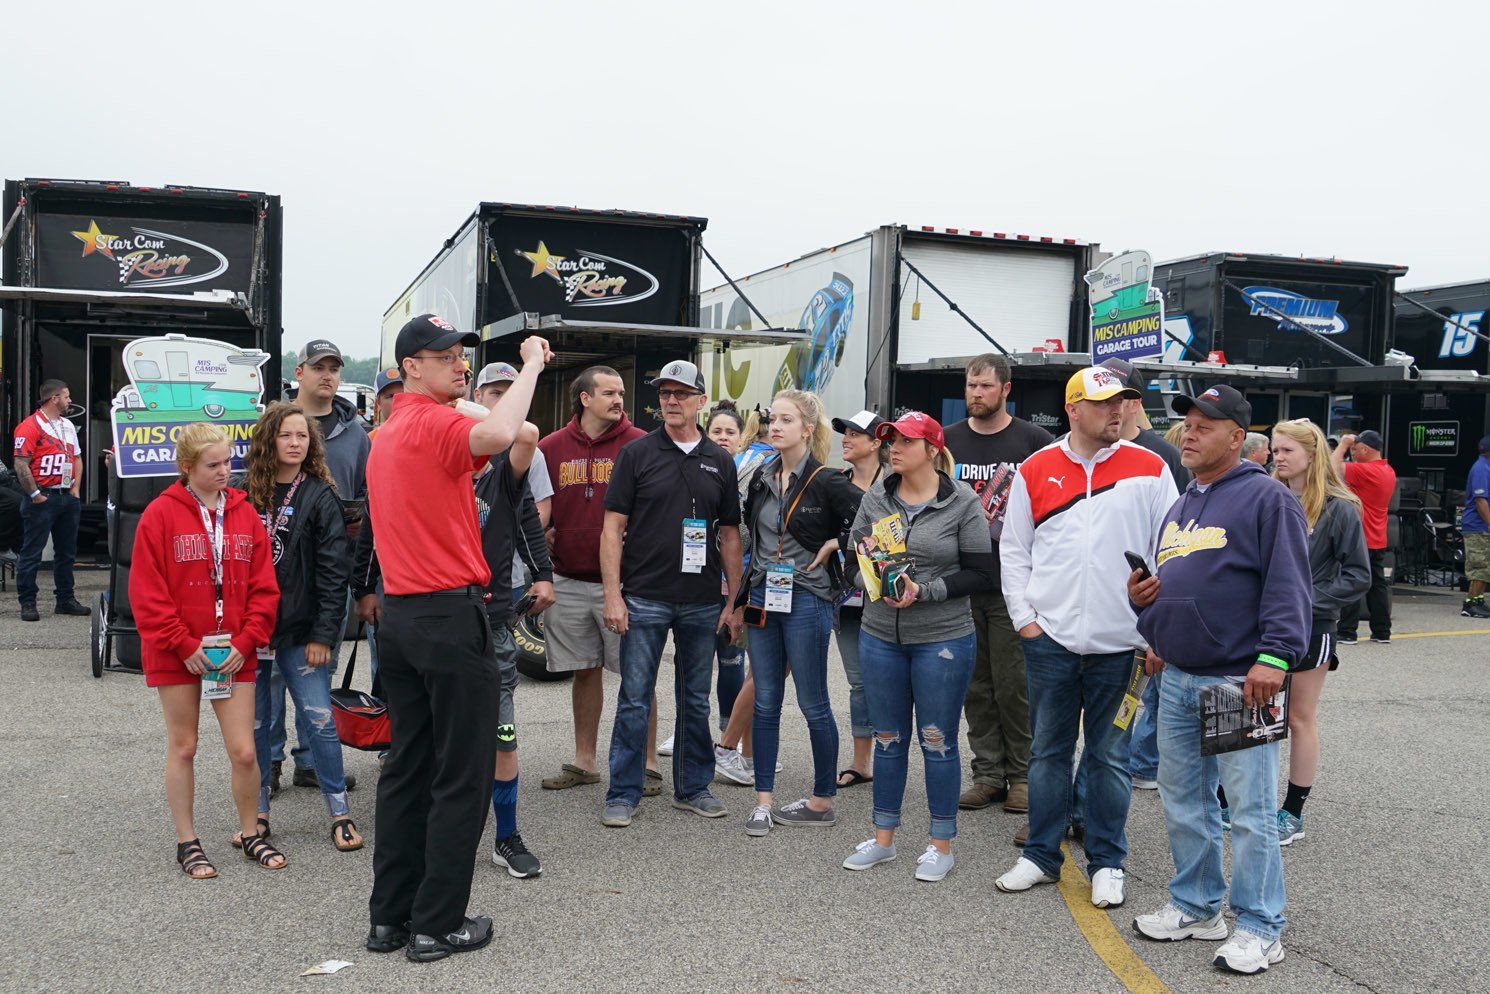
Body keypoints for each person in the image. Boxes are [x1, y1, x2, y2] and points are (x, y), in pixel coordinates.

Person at [363, 313, 549, 963]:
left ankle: (390, 918)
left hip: (403, 618)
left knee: (407, 769)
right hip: (448, 616)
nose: (459, 363)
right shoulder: (437, 425)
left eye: (460, 355)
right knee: (460, 777)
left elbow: (519, 430)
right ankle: (436, 924)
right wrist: (530, 363)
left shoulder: (390, 430)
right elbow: (508, 430)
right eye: (444, 356)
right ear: (411, 365)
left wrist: (456, 389)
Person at [1128, 384, 1311, 976]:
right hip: (1177, 676)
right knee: (1184, 802)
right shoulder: (1181, 505)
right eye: (1187, 423)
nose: (1189, 432)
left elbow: (1289, 585)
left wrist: (1276, 658)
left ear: (1237, 437)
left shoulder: (1266, 500)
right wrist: (1147, 614)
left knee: (1251, 811)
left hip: (1239, 679)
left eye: (1205, 425)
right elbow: (1173, 586)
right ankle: (1197, 904)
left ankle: (1260, 926)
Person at [992, 367, 1176, 906]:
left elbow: (1170, 554)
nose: (1117, 412)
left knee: (1110, 757)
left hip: (1123, 647)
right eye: (1103, 404)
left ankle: (1107, 861)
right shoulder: (1035, 467)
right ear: (1072, 409)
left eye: (1123, 402)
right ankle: (1040, 856)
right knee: (1047, 754)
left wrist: (1156, 633)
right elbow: (1014, 550)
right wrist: (1027, 621)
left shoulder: (1151, 468)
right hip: (1050, 641)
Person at [840, 411, 995, 882]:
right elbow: (852, 557)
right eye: (889, 441)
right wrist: (870, 577)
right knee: (887, 738)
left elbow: (983, 575)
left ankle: (940, 843)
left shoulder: (962, 502)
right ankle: (883, 837)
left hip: (943, 639)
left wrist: (923, 590)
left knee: (937, 741)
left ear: (931, 449)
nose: (893, 449)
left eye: (905, 441)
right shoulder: (877, 498)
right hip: (880, 634)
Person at [128, 423, 281, 878]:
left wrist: (248, 639)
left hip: (233, 650)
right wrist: (181, 642)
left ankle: (250, 831)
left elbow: (265, 587)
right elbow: (146, 591)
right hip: (178, 650)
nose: (224, 471)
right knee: (185, 746)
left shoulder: (244, 514)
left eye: (228, 461)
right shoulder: (159, 514)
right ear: (186, 468)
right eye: (212, 465)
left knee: (245, 751)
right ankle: (187, 842)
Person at [600, 359, 743, 828]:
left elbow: (729, 537)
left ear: (701, 400)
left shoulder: (720, 460)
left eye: (681, 393)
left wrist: (733, 602)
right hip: (644, 595)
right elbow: (612, 528)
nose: (671, 400)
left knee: (695, 698)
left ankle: (693, 787)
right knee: (635, 696)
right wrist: (613, 596)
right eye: (664, 393)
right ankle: (623, 791)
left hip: (702, 600)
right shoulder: (637, 454)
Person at [734, 390, 862, 836]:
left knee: (813, 703)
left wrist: (838, 545)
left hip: (808, 597)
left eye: (786, 420)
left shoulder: (828, 480)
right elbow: (749, 536)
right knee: (766, 700)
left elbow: (871, 523)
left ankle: (822, 799)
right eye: (772, 418)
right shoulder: (760, 477)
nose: (775, 426)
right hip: (764, 596)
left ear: (807, 429)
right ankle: (763, 802)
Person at [535, 366, 661, 797]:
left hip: (627, 584)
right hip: (568, 578)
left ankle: (645, 765)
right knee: (584, 672)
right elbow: (537, 507)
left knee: (638, 675)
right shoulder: (550, 447)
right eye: (609, 393)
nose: (619, 400)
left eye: (621, 392)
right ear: (585, 398)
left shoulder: (641, 444)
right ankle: (585, 761)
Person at [241, 403, 361, 852]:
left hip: (302, 634)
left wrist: (324, 636)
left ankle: (340, 811)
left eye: (303, 437)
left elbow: (334, 571)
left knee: (319, 722)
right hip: (252, 635)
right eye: (287, 435)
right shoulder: (243, 492)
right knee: (257, 726)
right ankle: (258, 812)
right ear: (269, 440)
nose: (295, 443)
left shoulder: (319, 495)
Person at [942, 354, 1053, 815]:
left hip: (1016, 588)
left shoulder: (1035, 442)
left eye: (986, 386)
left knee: (1015, 683)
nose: (976, 394)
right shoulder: (946, 442)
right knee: (974, 684)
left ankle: (1023, 775)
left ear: (1007, 389)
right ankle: (987, 773)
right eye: (971, 386)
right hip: (962, 585)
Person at [276, 338, 370, 795]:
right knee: (271, 672)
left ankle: (310, 760)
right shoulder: (274, 422)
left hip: (335, 567)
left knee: (320, 664)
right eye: (319, 367)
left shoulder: (357, 432)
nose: (328, 375)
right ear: (300, 373)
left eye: (334, 367)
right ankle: (269, 761)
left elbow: (372, 496)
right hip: (280, 570)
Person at [1269, 419, 1370, 846]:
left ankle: (1292, 813)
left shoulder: (1339, 507)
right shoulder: (1266, 497)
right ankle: (1231, 801)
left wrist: (1304, 598)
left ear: (1311, 455)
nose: (1278, 456)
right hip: (1265, 626)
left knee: (1298, 717)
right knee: (1257, 715)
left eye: (1287, 450)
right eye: (1275, 449)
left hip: (1313, 628)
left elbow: (1359, 575)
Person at [471, 361, 553, 877]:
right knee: (442, 741)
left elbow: (526, 519)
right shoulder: (436, 456)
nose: (504, 401)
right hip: (438, 620)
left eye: (510, 392)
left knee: (504, 735)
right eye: (493, 393)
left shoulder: (509, 465)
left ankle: (506, 836)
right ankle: (439, 833)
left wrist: (543, 573)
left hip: (495, 619)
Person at [1098, 359, 1189, 793]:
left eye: (1116, 396)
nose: (1108, 406)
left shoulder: (1163, 456)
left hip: (1149, 598)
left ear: (1133, 402)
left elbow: (1178, 532)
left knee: (1146, 692)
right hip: (1091, 605)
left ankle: (1143, 764)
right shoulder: (1077, 449)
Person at [831, 410, 888, 788]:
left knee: (890, 682)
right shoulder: (834, 483)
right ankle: (861, 762)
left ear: (877, 442)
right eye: (844, 432)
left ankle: (891, 757)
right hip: (846, 596)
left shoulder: (897, 485)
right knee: (858, 682)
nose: (846, 439)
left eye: (856, 433)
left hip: (892, 599)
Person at [12, 379, 89, 621]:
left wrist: (75, 488)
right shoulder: (29, 426)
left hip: (66, 496)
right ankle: (27, 602)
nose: (70, 401)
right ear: (53, 399)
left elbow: (77, 458)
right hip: (43, 496)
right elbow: (20, 464)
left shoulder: (66, 425)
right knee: (32, 552)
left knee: (66, 553)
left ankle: (65, 599)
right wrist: (35, 495)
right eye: (66, 397)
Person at [705, 402, 751, 782]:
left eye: (729, 433)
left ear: (741, 439)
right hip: (701, 583)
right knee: (697, 661)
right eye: (716, 432)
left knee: (734, 662)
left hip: (739, 586)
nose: (722, 438)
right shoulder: (698, 471)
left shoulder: (752, 480)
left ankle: (728, 737)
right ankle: (693, 732)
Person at [1332, 429, 1396, 644]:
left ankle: (1347, 631)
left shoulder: (1365, 470)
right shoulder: (1387, 470)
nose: (1353, 452)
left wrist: (1342, 445)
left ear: (1366, 450)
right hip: (1378, 535)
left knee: (1352, 581)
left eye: (1356, 449)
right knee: (1377, 585)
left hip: (1361, 536)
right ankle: (1381, 631)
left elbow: (1331, 469)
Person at [1461, 436, 1490, 618]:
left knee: (1485, 565)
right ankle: (1470, 604)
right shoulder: (1481, 469)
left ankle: (1478, 599)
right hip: (1478, 526)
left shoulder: (1485, 467)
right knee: (1480, 565)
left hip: (1481, 526)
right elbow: (1480, 501)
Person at [371, 366, 403, 433]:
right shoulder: (370, 440)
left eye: (403, 395)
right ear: (378, 402)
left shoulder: (423, 435)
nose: (398, 400)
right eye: (391, 396)